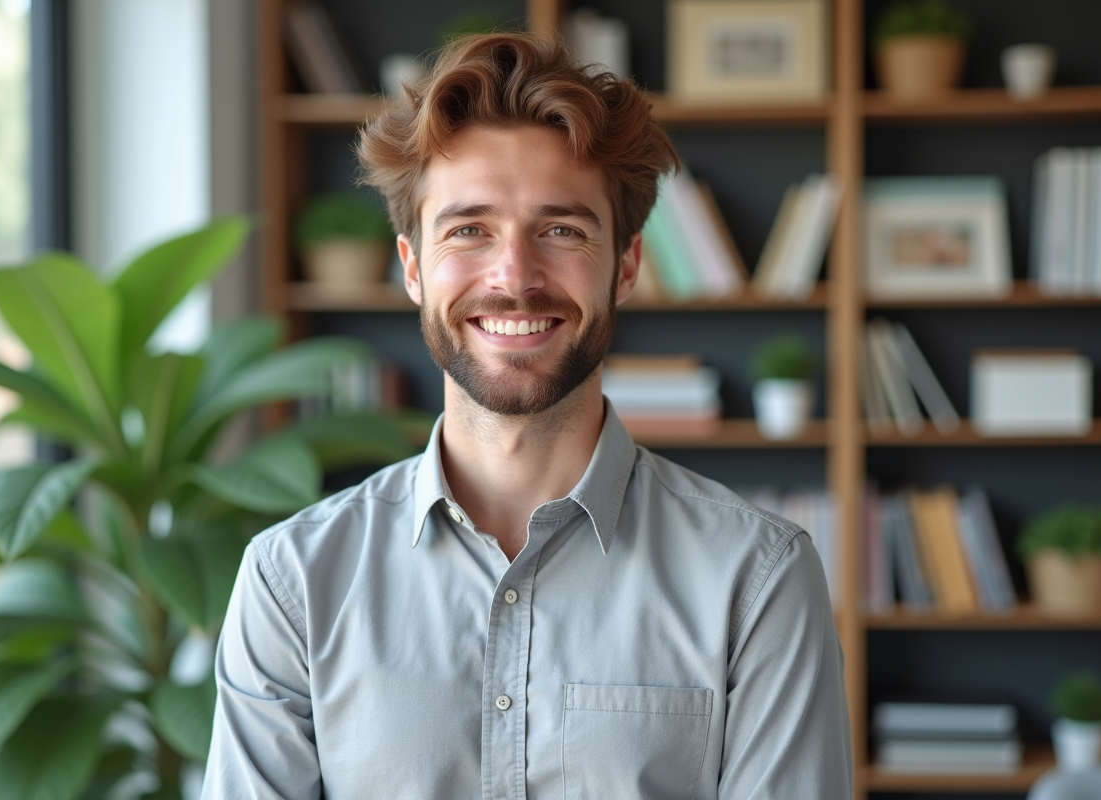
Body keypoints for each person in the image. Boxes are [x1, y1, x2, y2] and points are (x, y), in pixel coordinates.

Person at [202, 32, 851, 799]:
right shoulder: (292, 582)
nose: (514, 277)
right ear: (412, 268)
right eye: (468, 230)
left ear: (626, 267)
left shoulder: (758, 578)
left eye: (561, 230)